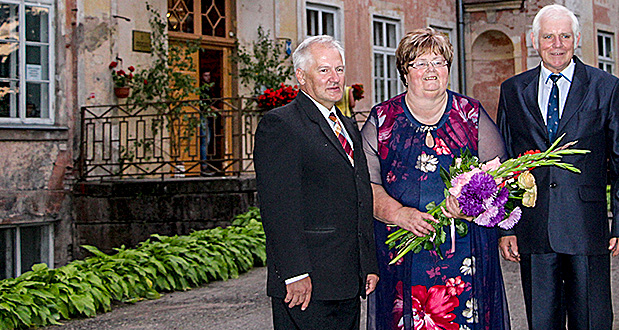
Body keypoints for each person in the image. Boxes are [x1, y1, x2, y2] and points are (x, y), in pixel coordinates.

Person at [496, 4, 619, 330]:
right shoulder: (514, 91)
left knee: (592, 320)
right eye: (549, 36)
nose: (556, 44)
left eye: (564, 36)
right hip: (534, 228)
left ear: (576, 39)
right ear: (535, 40)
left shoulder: (606, 87)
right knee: (541, 322)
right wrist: (506, 227)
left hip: (586, 230)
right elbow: (503, 163)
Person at [363, 27, 509, 330]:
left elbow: (499, 176)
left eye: (439, 62)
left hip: (464, 251)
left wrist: (470, 203)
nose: (432, 71)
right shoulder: (382, 119)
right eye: (421, 63)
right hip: (404, 251)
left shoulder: (469, 114)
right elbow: (366, 186)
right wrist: (400, 214)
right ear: (405, 72)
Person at [253, 36, 379, 330]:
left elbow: (360, 194)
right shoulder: (282, 125)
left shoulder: (347, 125)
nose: (334, 79)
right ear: (301, 76)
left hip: (347, 280)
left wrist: (367, 264)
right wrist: (294, 272)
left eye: (339, 69)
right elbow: (277, 207)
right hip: (307, 284)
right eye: (324, 70)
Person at [199, 69, 222, 176]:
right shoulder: (202, 89)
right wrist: (217, 111)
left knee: (207, 140)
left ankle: (205, 165)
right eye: (205, 75)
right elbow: (205, 103)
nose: (207, 77)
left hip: (208, 117)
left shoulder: (208, 88)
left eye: (209, 75)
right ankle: (203, 166)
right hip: (203, 116)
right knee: (204, 140)